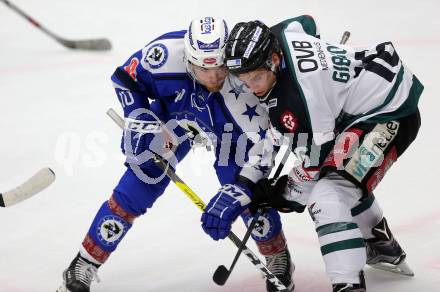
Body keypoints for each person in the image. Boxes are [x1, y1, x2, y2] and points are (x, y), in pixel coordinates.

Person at [57, 17, 294, 292]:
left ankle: (277, 256)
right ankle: (84, 262)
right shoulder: (165, 54)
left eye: (219, 67)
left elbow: (265, 143)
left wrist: (244, 187)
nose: (213, 78)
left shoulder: (244, 80)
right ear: (187, 57)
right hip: (176, 117)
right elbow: (125, 77)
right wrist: (137, 118)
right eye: (203, 70)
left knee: (241, 187)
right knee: (140, 181)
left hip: (226, 126)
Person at [201, 15, 423, 291]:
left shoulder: (298, 101)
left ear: (273, 60)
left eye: (256, 77)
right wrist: (246, 185)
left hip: (390, 115)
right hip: (361, 102)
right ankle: (379, 242)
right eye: (244, 80)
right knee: (340, 174)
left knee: (329, 194)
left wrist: (278, 195)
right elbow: (306, 23)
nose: (252, 88)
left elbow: (310, 172)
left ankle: (349, 284)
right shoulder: (278, 36)